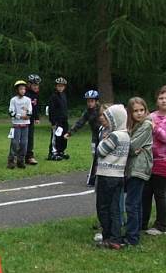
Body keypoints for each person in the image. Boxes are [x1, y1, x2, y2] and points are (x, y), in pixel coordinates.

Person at [143, 85, 166, 236]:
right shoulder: (151, 115)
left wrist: (155, 127)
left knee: (159, 192)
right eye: (161, 98)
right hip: (148, 160)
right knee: (145, 192)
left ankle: (161, 225)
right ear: (156, 100)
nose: (164, 101)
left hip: (165, 160)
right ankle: (142, 223)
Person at [93, 104, 130, 249]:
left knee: (103, 207)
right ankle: (116, 237)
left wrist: (103, 139)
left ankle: (107, 236)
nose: (106, 121)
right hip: (119, 175)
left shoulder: (115, 135)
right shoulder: (126, 135)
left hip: (107, 174)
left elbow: (100, 151)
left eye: (109, 118)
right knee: (115, 208)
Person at [123, 97, 153, 247]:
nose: (139, 113)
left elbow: (131, 145)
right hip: (133, 166)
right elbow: (132, 148)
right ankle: (136, 230)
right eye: (135, 111)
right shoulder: (132, 126)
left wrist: (130, 146)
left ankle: (132, 237)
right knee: (136, 201)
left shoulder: (146, 125)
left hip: (139, 167)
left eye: (142, 110)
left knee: (131, 203)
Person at [66, 90, 102, 185]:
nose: (90, 103)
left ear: (96, 101)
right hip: (95, 136)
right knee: (95, 154)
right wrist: (70, 132)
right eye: (88, 101)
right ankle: (95, 173)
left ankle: (95, 176)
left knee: (102, 155)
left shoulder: (101, 111)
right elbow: (80, 122)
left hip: (104, 135)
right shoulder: (87, 112)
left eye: (92, 101)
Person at [8, 80, 32, 169]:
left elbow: (30, 111)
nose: (23, 91)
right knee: (14, 142)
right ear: (17, 90)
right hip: (16, 124)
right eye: (21, 89)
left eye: (24, 89)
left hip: (25, 125)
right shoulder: (13, 100)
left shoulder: (28, 100)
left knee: (24, 143)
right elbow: (11, 112)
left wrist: (28, 116)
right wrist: (20, 116)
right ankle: (11, 160)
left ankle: (20, 160)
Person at [47, 77, 69, 161]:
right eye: (59, 86)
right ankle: (53, 153)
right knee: (56, 137)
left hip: (64, 120)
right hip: (57, 121)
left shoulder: (64, 95)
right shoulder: (53, 97)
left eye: (62, 86)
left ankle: (61, 151)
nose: (60, 87)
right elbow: (51, 110)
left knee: (64, 136)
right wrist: (53, 122)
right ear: (56, 86)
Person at [24, 74, 42, 165]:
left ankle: (29, 156)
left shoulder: (36, 95)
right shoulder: (25, 94)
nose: (36, 87)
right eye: (34, 85)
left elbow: (36, 107)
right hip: (23, 120)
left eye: (37, 85)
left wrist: (37, 117)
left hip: (31, 120)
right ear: (29, 85)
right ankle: (18, 156)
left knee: (30, 137)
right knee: (21, 138)